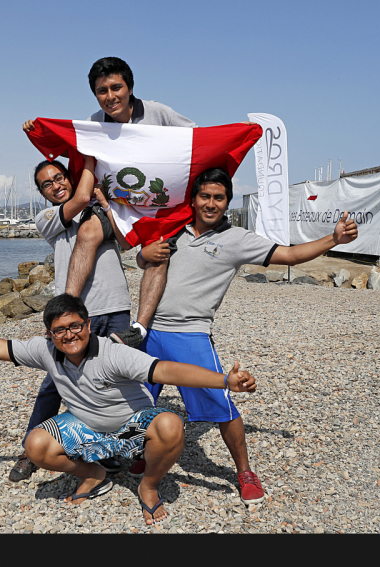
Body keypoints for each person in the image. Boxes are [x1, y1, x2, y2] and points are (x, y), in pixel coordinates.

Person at [0, 294, 257, 525]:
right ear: (49, 334)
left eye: (76, 326)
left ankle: (148, 486)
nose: (70, 334)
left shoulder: (112, 353)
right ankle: (93, 475)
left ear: (89, 325)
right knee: (35, 445)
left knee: (169, 425)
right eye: (60, 330)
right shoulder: (46, 351)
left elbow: (164, 370)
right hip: (88, 430)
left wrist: (223, 381)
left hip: (132, 431)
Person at [136, 167, 359, 504]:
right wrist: (141, 255)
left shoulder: (237, 240)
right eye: (205, 196)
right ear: (194, 200)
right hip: (148, 329)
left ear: (226, 203)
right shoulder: (172, 229)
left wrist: (333, 239)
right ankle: (141, 454)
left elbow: (289, 254)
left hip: (190, 333)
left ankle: (244, 472)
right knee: (137, 402)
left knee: (221, 405)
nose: (211, 203)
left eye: (218, 198)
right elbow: (145, 261)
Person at [22, 56, 198, 352]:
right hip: (116, 203)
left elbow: (196, 139)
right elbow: (67, 145)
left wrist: (235, 136)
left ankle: (139, 327)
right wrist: (38, 131)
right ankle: (65, 312)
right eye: (102, 91)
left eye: (116, 88)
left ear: (130, 88)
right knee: (88, 232)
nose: (110, 96)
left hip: (158, 203)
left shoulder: (156, 112)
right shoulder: (94, 124)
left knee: (158, 255)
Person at [7, 154, 133, 482]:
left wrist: (107, 206)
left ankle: (115, 449)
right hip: (72, 315)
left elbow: (128, 243)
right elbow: (79, 198)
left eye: (59, 177)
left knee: (116, 382)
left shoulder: (102, 209)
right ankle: (29, 450)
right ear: (42, 193)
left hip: (115, 306)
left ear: (70, 176)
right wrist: (90, 151)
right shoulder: (48, 218)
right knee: (55, 385)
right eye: (46, 183)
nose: (55, 185)